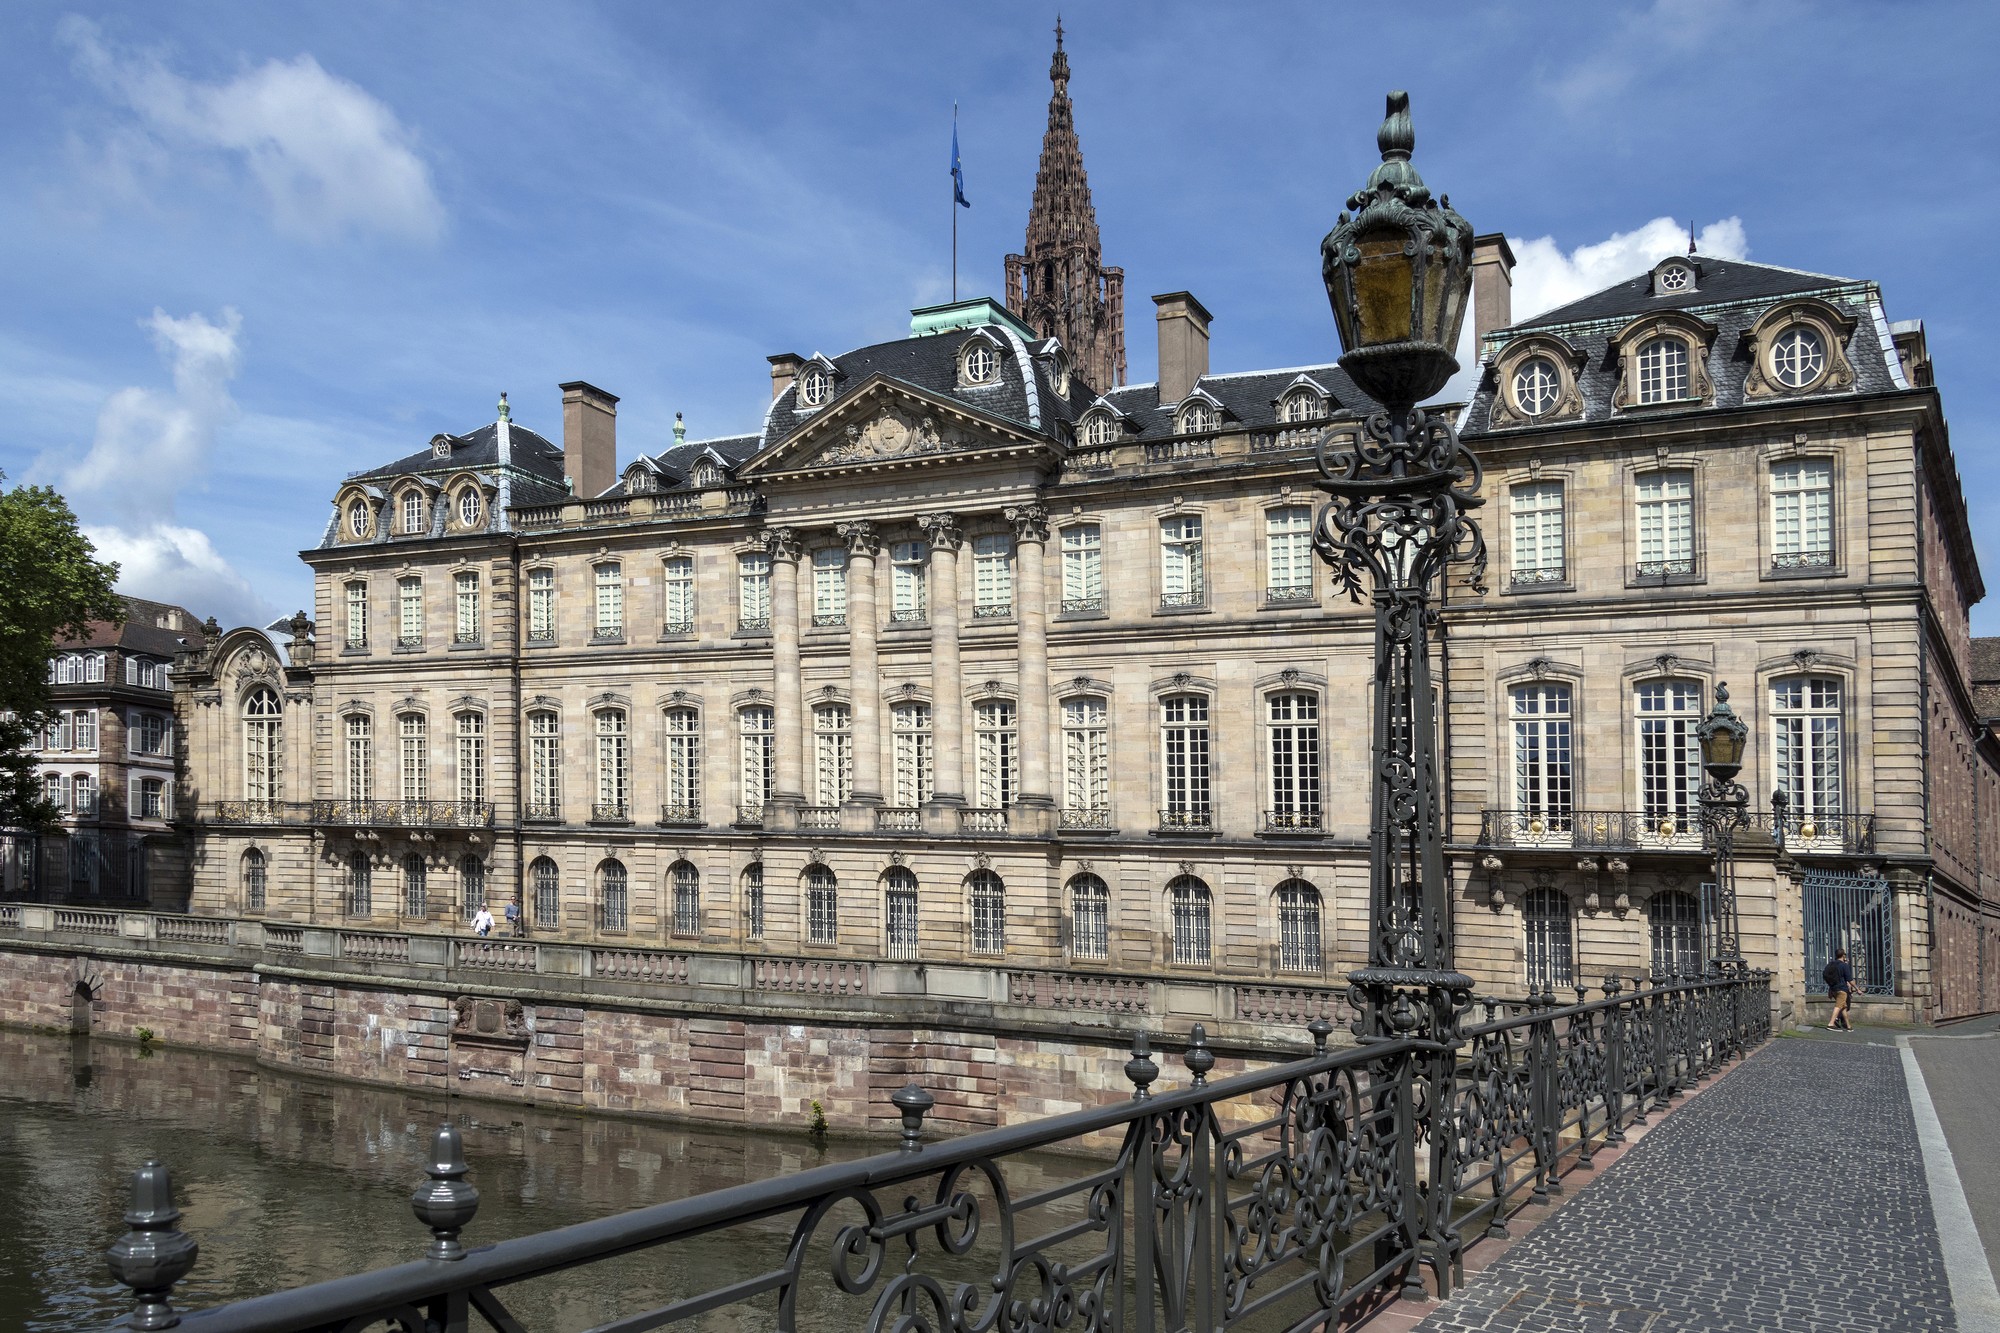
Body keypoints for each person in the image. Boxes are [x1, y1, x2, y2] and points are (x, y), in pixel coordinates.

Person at [1823, 948, 1855, 1030]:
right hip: (1842, 989)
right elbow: (1850, 980)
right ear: (1843, 955)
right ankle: (1831, 1023)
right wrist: (1857, 989)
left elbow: (1827, 976)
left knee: (1843, 1006)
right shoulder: (1844, 965)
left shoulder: (1831, 964)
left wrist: (1830, 988)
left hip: (1833, 989)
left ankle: (1848, 1026)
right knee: (1838, 1006)